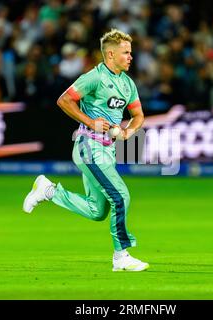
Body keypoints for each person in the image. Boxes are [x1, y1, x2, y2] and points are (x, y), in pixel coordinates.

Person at [22, 29, 148, 272]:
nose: (131, 57)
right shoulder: (94, 77)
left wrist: (127, 132)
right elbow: (64, 100)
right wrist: (91, 122)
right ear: (110, 54)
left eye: (131, 52)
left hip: (107, 150)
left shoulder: (127, 83)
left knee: (97, 210)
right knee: (121, 196)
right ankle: (121, 256)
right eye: (126, 53)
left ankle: (48, 191)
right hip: (88, 146)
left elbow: (138, 115)